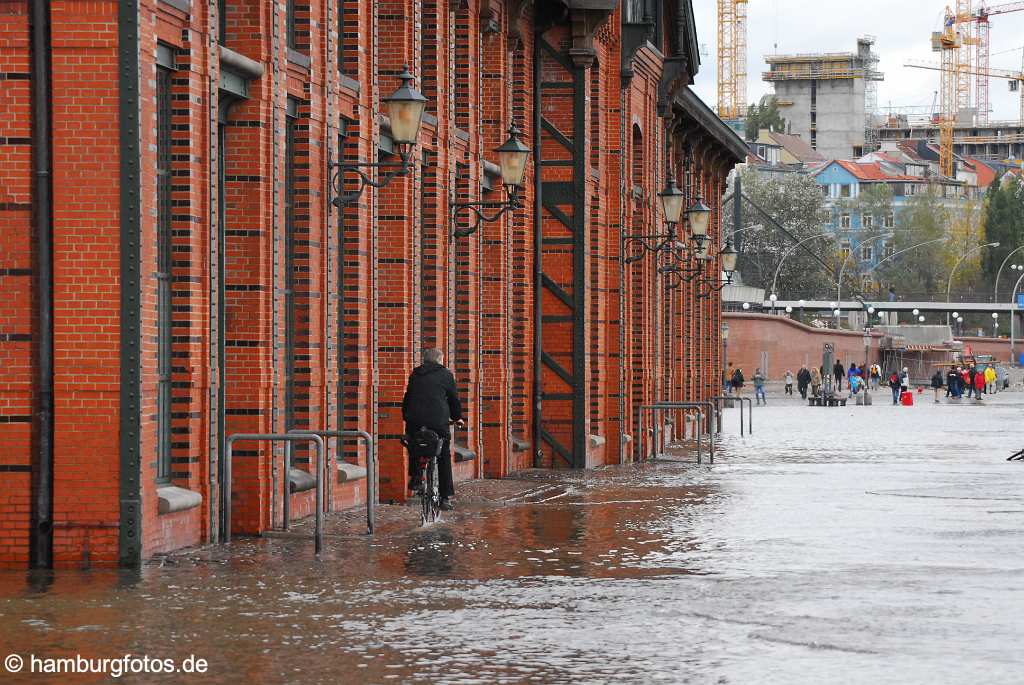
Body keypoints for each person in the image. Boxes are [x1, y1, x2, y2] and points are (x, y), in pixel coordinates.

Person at [402, 348, 466, 510]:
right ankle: (445, 497)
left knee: (414, 444)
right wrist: (457, 417)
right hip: (438, 422)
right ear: (440, 360)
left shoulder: (415, 375)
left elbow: (408, 398)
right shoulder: (445, 375)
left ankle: (416, 477)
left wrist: (407, 417)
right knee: (444, 454)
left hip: (415, 420)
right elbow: (453, 399)